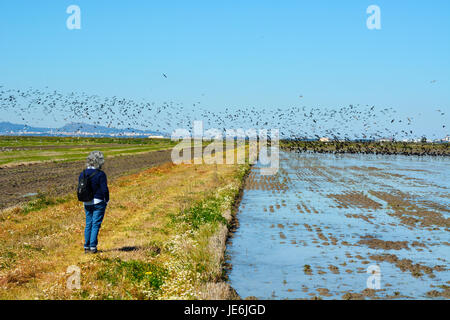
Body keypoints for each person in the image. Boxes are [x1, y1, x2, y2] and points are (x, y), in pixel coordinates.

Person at [79, 151, 109, 253]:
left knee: (88, 224)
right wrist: (107, 200)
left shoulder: (82, 173)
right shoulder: (100, 174)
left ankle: (86, 247)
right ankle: (93, 247)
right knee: (96, 224)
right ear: (100, 161)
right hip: (99, 202)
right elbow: (104, 189)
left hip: (86, 202)